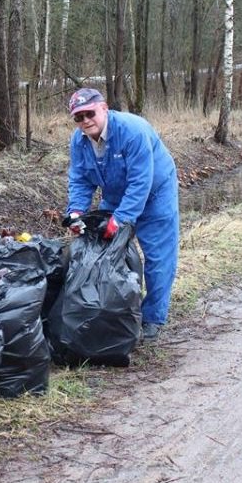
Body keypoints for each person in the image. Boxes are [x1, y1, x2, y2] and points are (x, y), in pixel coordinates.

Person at [61, 88, 179, 342]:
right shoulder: (79, 141)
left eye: (89, 113)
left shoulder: (132, 131)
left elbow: (140, 182)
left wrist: (121, 219)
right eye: (78, 117)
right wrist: (75, 211)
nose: (85, 121)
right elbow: (80, 179)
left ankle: (153, 318)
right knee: (107, 249)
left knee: (158, 256)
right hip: (115, 193)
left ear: (104, 108)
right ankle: (118, 309)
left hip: (155, 193)